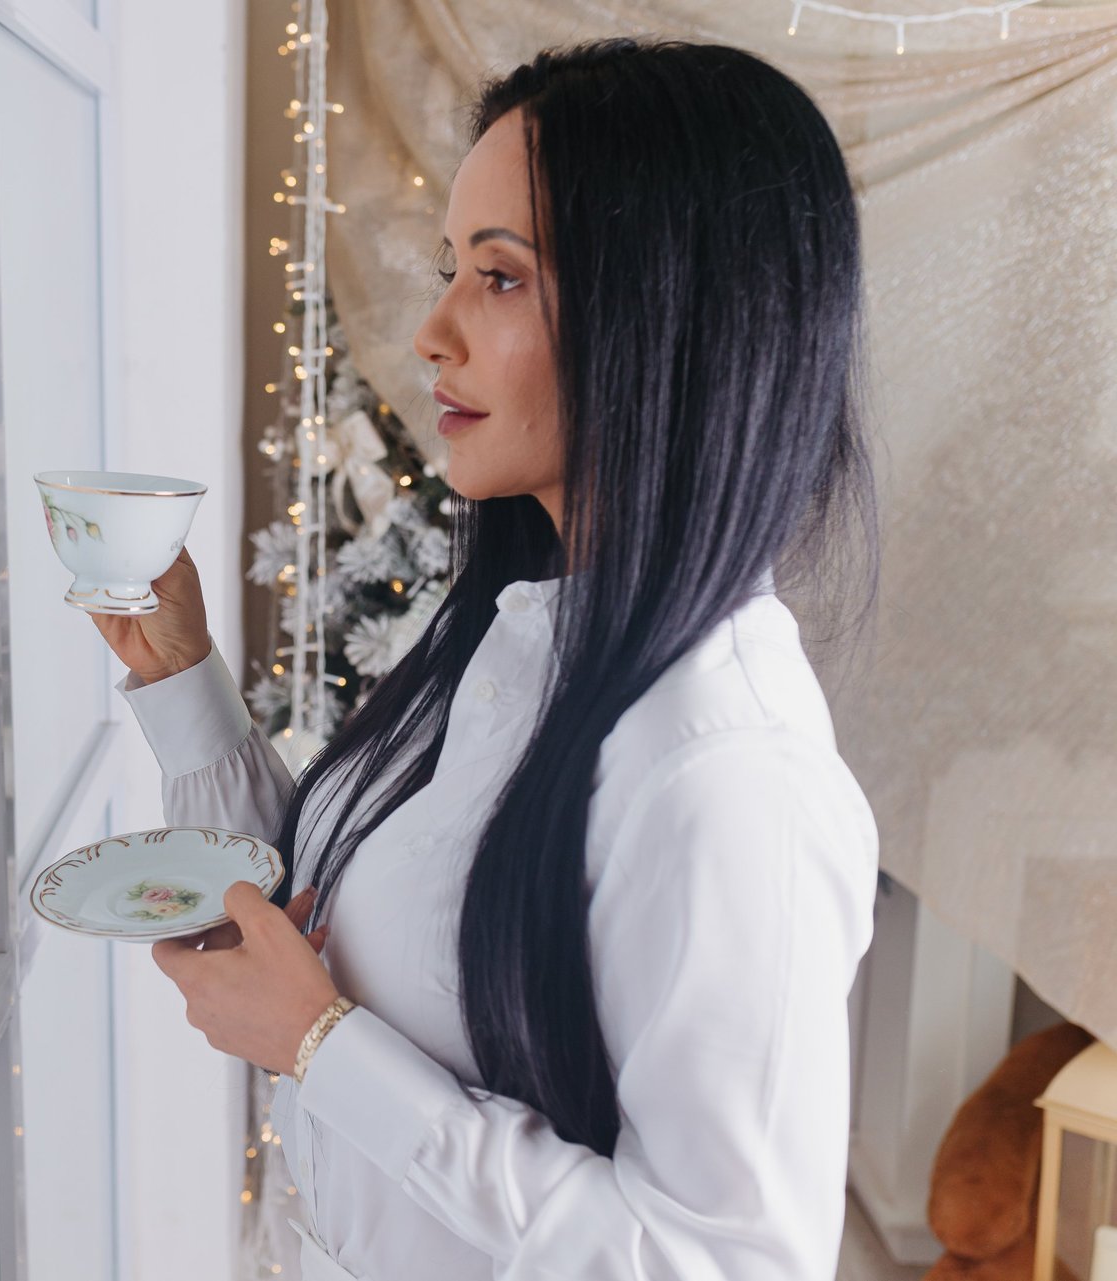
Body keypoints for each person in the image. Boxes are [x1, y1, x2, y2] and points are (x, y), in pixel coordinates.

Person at [89, 35, 884, 1281]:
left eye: (501, 280)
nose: (433, 332)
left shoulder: (728, 778)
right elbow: (333, 914)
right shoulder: (526, 627)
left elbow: (727, 1263)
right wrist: (180, 680)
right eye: (454, 268)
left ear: (667, 315)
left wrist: (321, 1049)